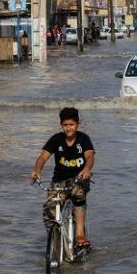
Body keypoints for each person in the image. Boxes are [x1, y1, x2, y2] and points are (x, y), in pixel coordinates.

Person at [29, 107, 95, 249]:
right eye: (65, 125)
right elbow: (42, 157)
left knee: (78, 194)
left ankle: (79, 235)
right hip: (58, 181)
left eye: (71, 124)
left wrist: (87, 169)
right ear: (61, 125)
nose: (68, 128)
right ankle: (56, 238)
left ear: (78, 124)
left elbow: (89, 156)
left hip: (78, 179)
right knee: (48, 213)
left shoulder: (83, 139)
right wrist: (37, 170)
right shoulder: (56, 139)